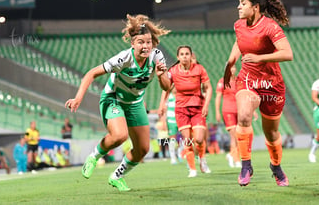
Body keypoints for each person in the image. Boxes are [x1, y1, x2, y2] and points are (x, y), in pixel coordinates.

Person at [65, 14, 171, 192]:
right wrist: (78, 98)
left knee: (143, 149)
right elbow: (91, 73)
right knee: (120, 135)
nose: (145, 46)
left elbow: (167, 86)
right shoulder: (123, 59)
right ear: (132, 43)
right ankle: (94, 156)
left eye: (148, 42)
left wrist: (162, 75)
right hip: (113, 98)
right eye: (140, 42)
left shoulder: (157, 56)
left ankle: (117, 176)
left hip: (135, 103)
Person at [224, 0, 293, 187]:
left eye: (243, 3)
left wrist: (260, 57)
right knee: (244, 116)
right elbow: (240, 42)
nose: (239, 6)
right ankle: (246, 165)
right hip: (248, 79)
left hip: (272, 84)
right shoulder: (239, 25)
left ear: (255, 7)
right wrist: (230, 62)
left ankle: (276, 166)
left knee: (271, 132)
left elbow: (287, 53)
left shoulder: (270, 27)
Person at [160, 45, 213, 178]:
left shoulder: (199, 69)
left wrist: (206, 105)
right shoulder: (173, 71)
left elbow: (208, 88)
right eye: (182, 54)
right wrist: (162, 104)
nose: (184, 56)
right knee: (187, 140)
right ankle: (192, 169)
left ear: (191, 56)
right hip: (181, 110)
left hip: (197, 108)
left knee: (199, 139)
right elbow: (166, 87)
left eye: (187, 54)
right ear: (178, 57)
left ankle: (202, 160)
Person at [158, 86, 179, 164]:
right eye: (174, 87)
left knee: (184, 138)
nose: (175, 88)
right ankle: (173, 157)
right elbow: (164, 110)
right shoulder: (168, 97)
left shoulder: (180, 96)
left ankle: (181, 153)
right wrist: (164, 122)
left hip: (180, 119)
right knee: (172, 139)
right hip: (171, 120)